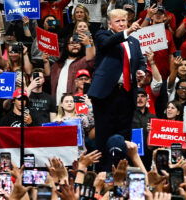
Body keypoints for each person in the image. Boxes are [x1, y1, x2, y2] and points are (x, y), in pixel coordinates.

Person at [87, 9, 146, 171]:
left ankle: (121, 170)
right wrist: (128, 31)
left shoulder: (134, 42)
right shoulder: (102, 35)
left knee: (124, 136)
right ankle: (102, 172)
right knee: (104, 135)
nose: (121, 24)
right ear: (110, 24)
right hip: (106, 95)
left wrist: (141, 70)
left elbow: (140, 61)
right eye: (118, 21)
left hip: (127, 93)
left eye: (124, 20)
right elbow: (107, 43)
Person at [50, 34, 95, 104]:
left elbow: (91, 59)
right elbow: (47, 76)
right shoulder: (58, 64)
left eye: (78, 43)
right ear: (66, 46)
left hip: (77, 103)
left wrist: (88, 45)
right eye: (72, 43)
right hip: (57, 103)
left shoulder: (84, 61)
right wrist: (45, 62)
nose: (75, 45)